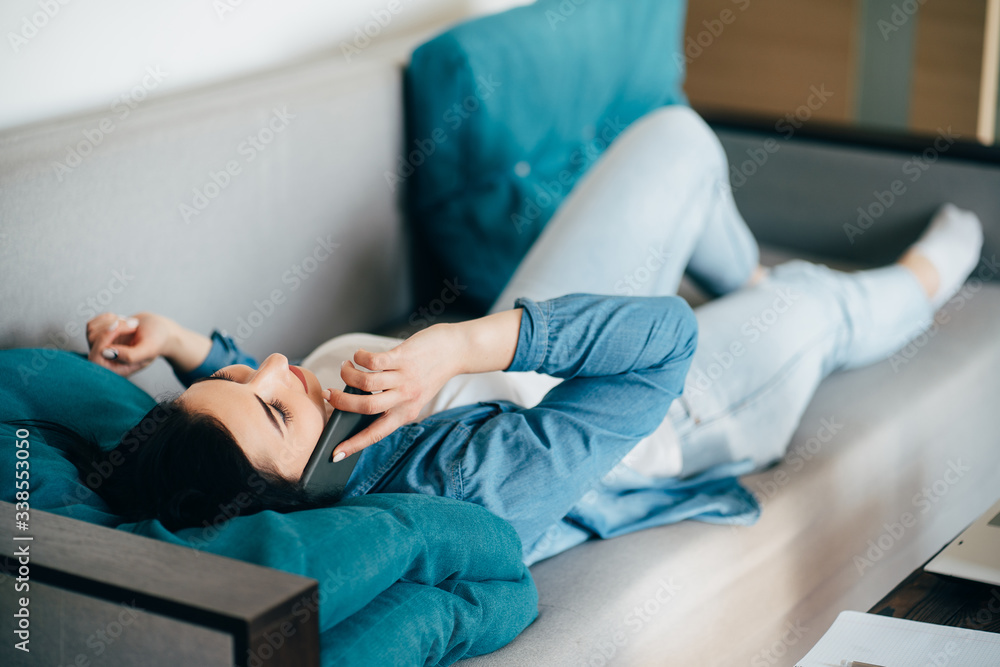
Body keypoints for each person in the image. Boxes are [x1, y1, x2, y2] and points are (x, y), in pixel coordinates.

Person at [73, 107, 985, 565]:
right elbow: (664, 343)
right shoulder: (468, 485)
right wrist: (460, 348)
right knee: (813, 307)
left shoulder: (313, 418)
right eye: (270, 400)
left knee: (676, 137)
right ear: (312, 486)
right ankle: (936, 268)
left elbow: (251, 424)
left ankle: (742, 276)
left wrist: (189, 347)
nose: (277, 366)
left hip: (516, 348)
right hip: (660, 413)